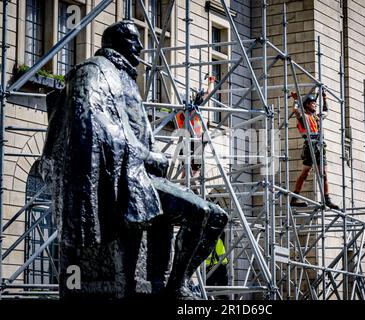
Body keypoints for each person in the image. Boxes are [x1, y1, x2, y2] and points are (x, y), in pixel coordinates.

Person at [41, 20, 228, 300]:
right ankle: (175, 288)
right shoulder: (95, 71)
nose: (140, 46)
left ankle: (177, 283)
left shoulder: (124, 76)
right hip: (125, 176)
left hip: (142, 174)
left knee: (216, 216)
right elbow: (94, 122)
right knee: (201, 212)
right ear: (115, 43)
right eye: (133, 40)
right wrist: (147, 155)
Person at [289, 90, 339, 210]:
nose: (315, 105)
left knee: (324, 174)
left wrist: (325, 98)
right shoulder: (304, 117)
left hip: (319, 146)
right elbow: (295, 111)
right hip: (310, 145)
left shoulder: (317, 118)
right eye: (313, 103)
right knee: (305, 173)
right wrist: (296, 99)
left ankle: (327, 199)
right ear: (307, 105)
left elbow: (326, 111)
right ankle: (295, 198)